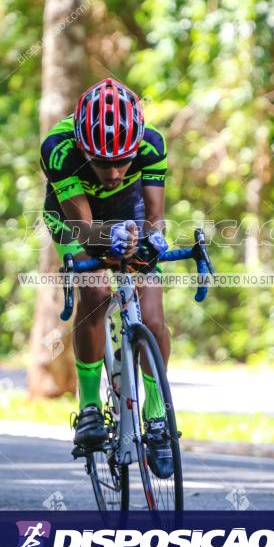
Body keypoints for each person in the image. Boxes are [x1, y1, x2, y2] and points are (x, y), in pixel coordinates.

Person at [39, 77, 172, 479]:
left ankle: (157, 415)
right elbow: (82, 228)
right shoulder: (58, 149)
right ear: (83, 148)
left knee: (150, 316)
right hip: (74, 218)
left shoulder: (151, 144)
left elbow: (153, 216)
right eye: (102, 163)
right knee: (95, 290)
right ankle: (90, 408)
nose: (114, 172)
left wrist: (150, 242)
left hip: (127, 213)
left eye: (123, 162)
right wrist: (105, 246)